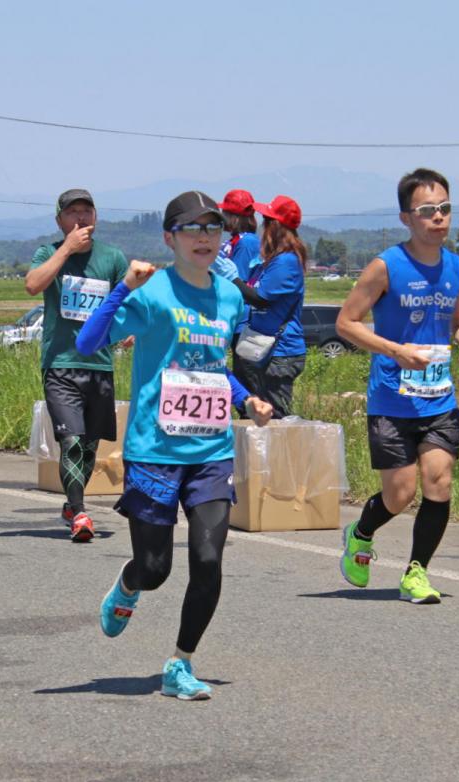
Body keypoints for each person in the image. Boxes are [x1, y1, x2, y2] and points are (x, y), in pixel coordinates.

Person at [76, 190, 273, 700]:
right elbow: (87, 343)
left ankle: (180, 664)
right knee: (157, 569)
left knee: (208, 560)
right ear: (171, 238)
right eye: (193, 229)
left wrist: (246, 400)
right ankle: (129, 583)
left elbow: (212, 369)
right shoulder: (153, 292)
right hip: (154, 452)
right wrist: (123, 287)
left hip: (210, 453)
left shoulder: (229, 297)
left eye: (214, 229)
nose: (206, 238)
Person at [335, 168, 459, 604]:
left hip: (438, 398)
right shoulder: (387, 266)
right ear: (406, 217)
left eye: (444, 209)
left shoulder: (457, 268)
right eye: (427, 211)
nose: (438, 218)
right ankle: (360, 533)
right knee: (399, 495)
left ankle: (416, 573)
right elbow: (346, 323)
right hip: (392, 398)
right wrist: (395, 350)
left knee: (439, 482)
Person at [24, 188, 129, 541]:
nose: (80, 219)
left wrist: (128, 331)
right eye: (72, 213)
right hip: (60, 363)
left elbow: (128, 302)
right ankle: (80, 514)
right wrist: (67, 249)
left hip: (99, 365)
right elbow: (32, 285)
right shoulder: (49, 252)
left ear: (96, 218)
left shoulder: (112, 258)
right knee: (70, 440)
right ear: (60, 221)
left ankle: (72, 503)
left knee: (88, 445)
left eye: (87, 212)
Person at [228, 195, 308, 419]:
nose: (262, 226)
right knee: (256, 414)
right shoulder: (273, 261)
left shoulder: (286, 262)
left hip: (279, 352)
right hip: (264, 349)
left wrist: (232, 278)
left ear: (275, 226)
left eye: (267, 220)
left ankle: (280, 456)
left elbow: (260, 299)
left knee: (274, 419)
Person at [217, 190, 260, 281]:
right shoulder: (237, 240)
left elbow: (239, 281)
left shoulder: (247, 243)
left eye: (224, 212)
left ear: (233, 217)